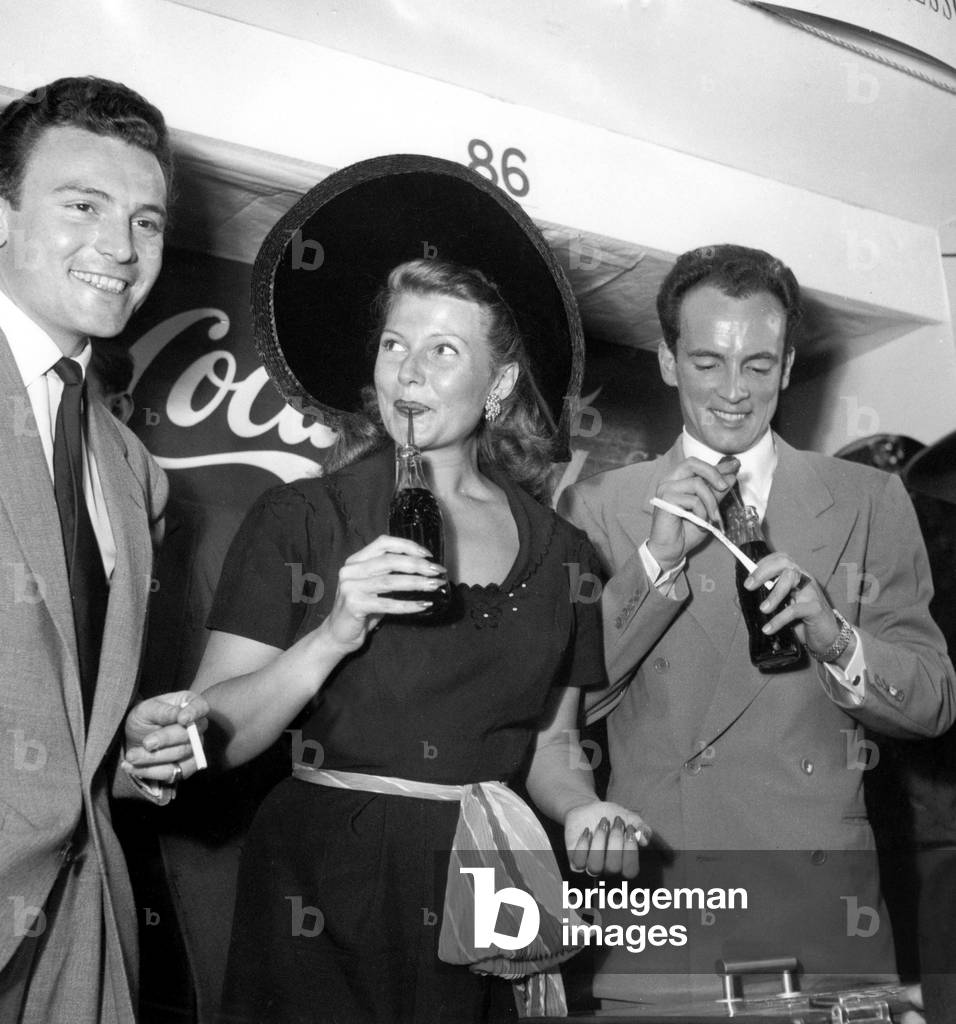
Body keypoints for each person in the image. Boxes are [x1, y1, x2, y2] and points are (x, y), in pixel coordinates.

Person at [126, 155, 649, 1024]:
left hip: (487, 874)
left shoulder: (567, 555)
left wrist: (588, 809)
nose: (409, 372)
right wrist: (334, 629)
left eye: (445, 351)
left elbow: (555, 747)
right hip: (324, 887)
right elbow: (213, 733)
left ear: (502, 383)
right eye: (395, 345)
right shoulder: (304, 518)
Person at [559, 244, 956, 1010]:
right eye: (707, 363)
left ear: (789, 362)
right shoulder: (602, 505)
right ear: (669, 362)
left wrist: (837, 638)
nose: (734, 392)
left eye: (758, 364)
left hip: (822, 920)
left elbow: (934, 698)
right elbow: (570, 707)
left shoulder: (869, 498)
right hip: (669, 909)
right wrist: (656, 564)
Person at [0, 77, 208, 1023]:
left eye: (148, 222)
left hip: (83, 924)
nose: (121, 249)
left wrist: (124, 755)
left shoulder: (134, 472)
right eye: (83, 205)